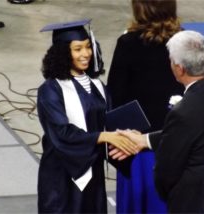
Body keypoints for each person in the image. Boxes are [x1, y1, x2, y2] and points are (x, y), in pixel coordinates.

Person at [114, 30, 204, 213]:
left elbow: (165, 173)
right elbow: (198, 127)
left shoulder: (183, 111)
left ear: (179, 68)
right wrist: (145, 140)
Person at [37, 19, 137, 213]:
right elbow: (61, 133)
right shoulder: (50, 90)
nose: (86, 54)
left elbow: (111, 120)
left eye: (88, 47)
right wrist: (103, 136)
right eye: (77, 49)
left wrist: (126, 135)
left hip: (93, 172)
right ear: (64, 53)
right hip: (63, 175)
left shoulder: (97, 85)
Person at [107, 0, 183, 212]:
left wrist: (118, 141)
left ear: (139, 8)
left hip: (137, 147)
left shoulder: (128, 43)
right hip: (176, 145)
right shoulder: (185, 41)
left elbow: (115, 96)